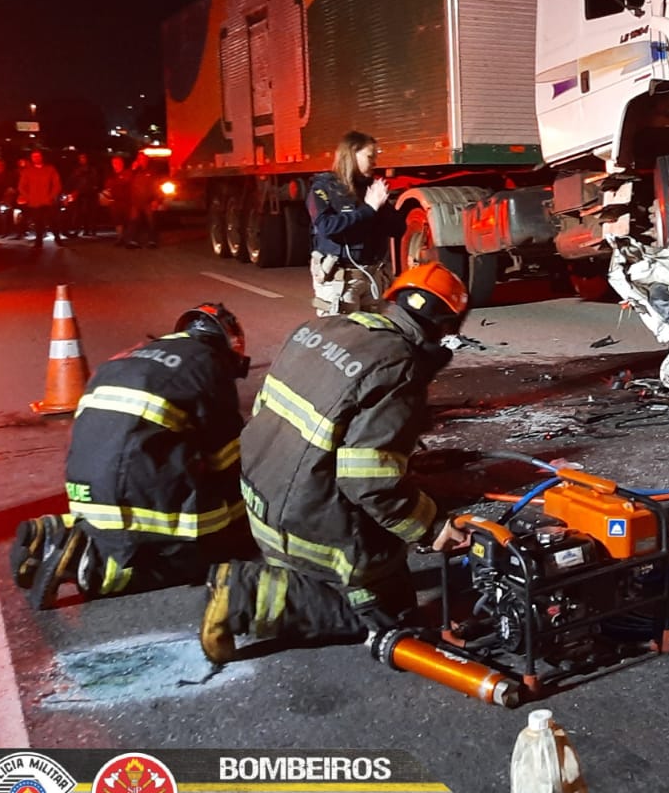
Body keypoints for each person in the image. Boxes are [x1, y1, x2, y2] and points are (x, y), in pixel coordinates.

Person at [200, 262, 472, 664]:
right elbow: (369, 481)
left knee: (394, 581)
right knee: (393, 622)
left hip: (258, 499)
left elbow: (266, 411)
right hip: (304, 523)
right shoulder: (399, 367)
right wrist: (432, 527)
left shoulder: (321, 328)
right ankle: (246, 595)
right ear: (445, 330)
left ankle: (297, 577)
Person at [11, 304, 253, 609]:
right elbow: (228, 460)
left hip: (85, 496)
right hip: (133, 499)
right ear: (227, 346)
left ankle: (53, 533)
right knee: (219, 549)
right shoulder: (208, 365)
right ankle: (94, 565)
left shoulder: (130, 356)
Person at [307, 130, 406, 316]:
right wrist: (368, 209)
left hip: (373, 278)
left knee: (374, 338)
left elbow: (398, 229)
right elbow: (326, 227)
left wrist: (381, 207)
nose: (375, 162)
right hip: (341, 280)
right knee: (341, 337)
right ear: (352, 154)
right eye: (370, 156)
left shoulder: (371, 189)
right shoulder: (324, 188)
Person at [17, 149, 64, 246]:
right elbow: (21, 186)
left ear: (42, 157)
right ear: (31, 158)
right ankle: (39, 241)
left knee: (53, 221)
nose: (36, 158)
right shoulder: (27, 171)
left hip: (48, 201)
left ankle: (57, 238)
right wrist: (28, 197)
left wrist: (51, 196)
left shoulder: (50, 169)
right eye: (34, 156)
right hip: (34, 201)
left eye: (38, 156)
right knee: (38, 222)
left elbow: (57, 184)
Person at [127, 152, 164, 247]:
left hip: (148, 201)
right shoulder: (135, 171)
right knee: (134, 221)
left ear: (147, 160)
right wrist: (132, 169)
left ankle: (152, 241)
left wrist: (157, 199)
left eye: (143, 158)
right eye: (139, 159)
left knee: (151, 221)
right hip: (136, 201)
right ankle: (133, 241)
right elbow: (127, 181)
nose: (141, 160)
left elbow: (157, 186)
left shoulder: (152, 171)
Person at [67, 152, 102, 237]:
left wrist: (94, 188)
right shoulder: (77, 170)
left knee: (91, 212)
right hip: (80, 193)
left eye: (83, 158)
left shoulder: (92, 169)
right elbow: (72, 180)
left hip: (90, 193)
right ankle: (83, 229)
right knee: (81, 212)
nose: (82, 159)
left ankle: (92, 229)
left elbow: (95, 180)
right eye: (80, 158)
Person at [102, 153, 134, 243]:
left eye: (117, 163)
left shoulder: (127, 173)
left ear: (121, 163)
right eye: (114, 163)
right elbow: (107, 187)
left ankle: (128, 238)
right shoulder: (111, 176)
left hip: (126, 201)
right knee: (117, 221)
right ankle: (120, 238)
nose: (115, 165)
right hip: (115, 202)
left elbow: (126, 183)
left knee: (127, 220)